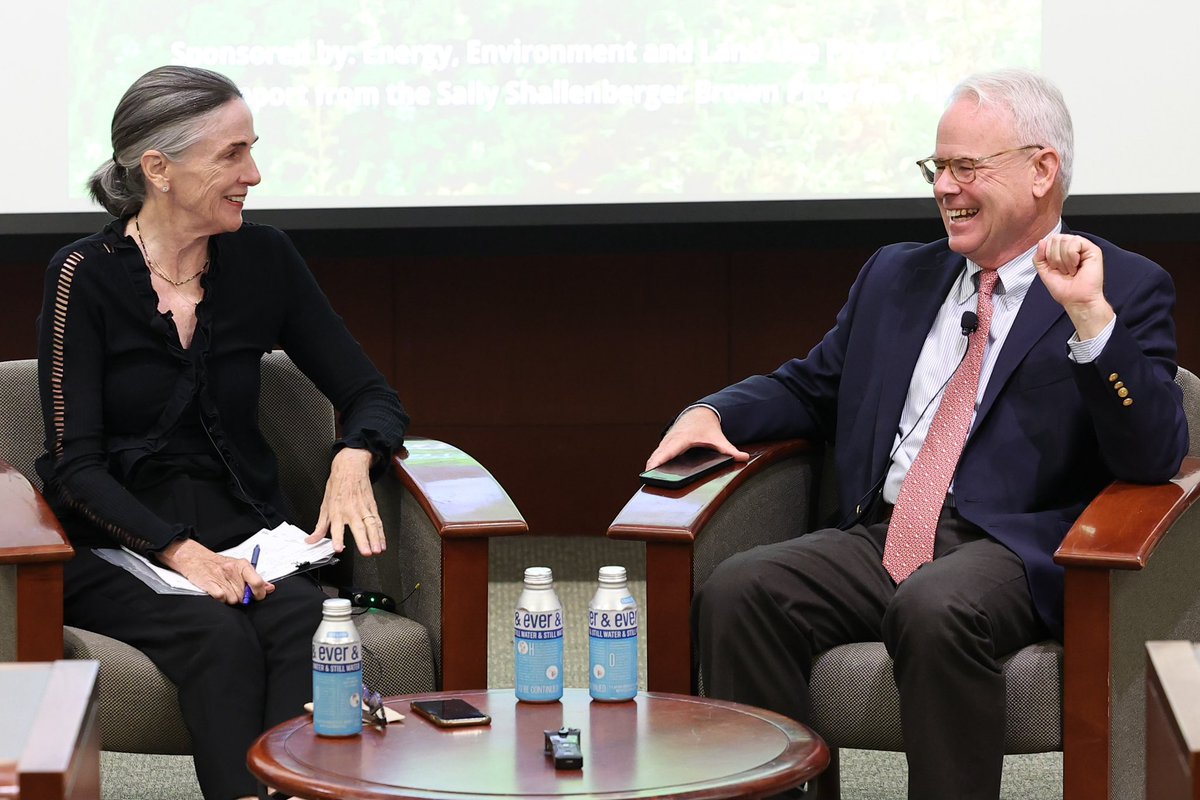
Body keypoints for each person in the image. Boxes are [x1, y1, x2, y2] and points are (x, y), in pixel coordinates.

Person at [645, 68, 1188, 799]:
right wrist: (710, 412)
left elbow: (1154, 452)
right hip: (887, 532)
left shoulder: (1122, 284)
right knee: (740, 591)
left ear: (1041, 171)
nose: (944, 188)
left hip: (1015, 549)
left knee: (935, 605)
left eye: (968, 168)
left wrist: (1091, 319)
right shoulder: (895, 274)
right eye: (939, 168)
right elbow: (812, 385)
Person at [35, 66, 408, 800]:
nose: (254, 174)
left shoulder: (263, 258)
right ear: (158, 169)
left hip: (246, 535)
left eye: (252, 151)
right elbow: (75, 467)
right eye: (232, 155)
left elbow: (370, 393)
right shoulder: (83, 274)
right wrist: (182, 554)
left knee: (307, 620)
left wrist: (352, 457)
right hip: (120, 542)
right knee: (215, 638)